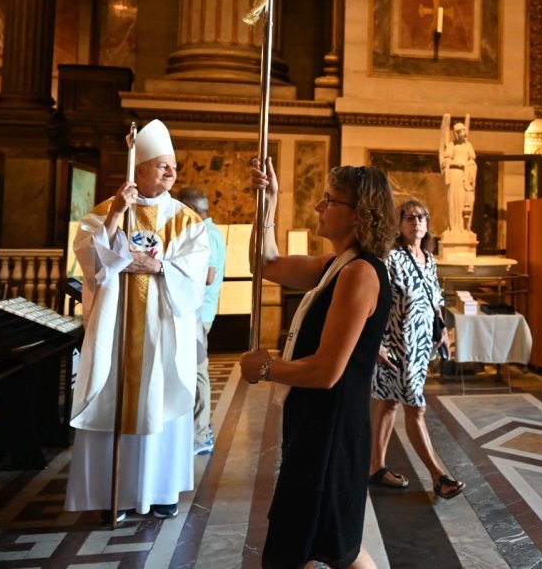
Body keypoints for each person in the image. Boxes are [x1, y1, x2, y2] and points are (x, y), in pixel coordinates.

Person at [239, 159, 397, 569]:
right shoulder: (336, 266)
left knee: (315, 548)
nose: (318, 207)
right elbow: (264, 264)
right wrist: (268, 203)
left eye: (329, 200)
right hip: (316, 422)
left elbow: (327, 372)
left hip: (331, 430)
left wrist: (266, 368)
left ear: (359, 213)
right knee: (328, 544)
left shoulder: (360, 273)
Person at [66, 119, 210, 523]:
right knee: (116, 401)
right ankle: (115, 496)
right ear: (139, 169)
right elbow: (92, 264)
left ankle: (161, 492)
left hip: (163, 331)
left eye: (174, 167)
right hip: (116, 333)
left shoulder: (186, 220)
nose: (171, 173)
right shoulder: (107, 212)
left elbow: (195, 272)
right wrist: (116, 217)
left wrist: (157, 265)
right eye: (163, 166)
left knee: (160, 404)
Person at [369, 199, 465, 499]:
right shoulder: (391, 258)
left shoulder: (428, 257)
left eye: (422, 217)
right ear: (399, 224)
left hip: (420, 346)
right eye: (409, 217)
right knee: (416, 407)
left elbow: (435, 298)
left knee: (389, 403)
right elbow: (378, 302)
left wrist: (442, 331)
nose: (416, 222)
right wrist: (378, 345)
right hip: (395, 347)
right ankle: (439, 477)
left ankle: (376, 468)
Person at [177, 186, 226, 456]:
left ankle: (200, 433)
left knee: (198, 371)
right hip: (198, 311)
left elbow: (207, 275)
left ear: (193, 210)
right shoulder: (209, 231)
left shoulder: (205, 233)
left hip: (199, 313)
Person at [439, 114, 477, 234]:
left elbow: (472, 160)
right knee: (454, 200)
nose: (462, 134)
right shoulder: (451, 145)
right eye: (460, 132)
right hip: (454, 174)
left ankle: (464, 228)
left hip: (464, 176)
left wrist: (470, 168)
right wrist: (457, 164)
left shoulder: (468, 145)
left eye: (463, 131)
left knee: (465, 201)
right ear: (456, 133)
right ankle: (453, 227)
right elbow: (446, 161)